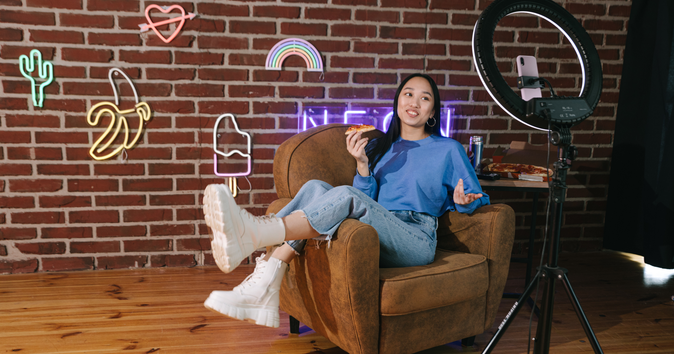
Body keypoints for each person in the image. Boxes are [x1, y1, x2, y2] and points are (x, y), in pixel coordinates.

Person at [201, 73, 490, 328]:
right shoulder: (382, 148)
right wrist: (363, 165)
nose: (414, 102)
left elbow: (479, 198)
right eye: (408, 94)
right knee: (315, 187)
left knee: (344, 194)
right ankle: (267, 279)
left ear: (432, 112)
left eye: (424, 98)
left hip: (415, 239)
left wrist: (462, 200)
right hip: (377, 232)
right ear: (398, 103)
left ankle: (256, 235)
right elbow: (365, 201)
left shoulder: (447, 149)